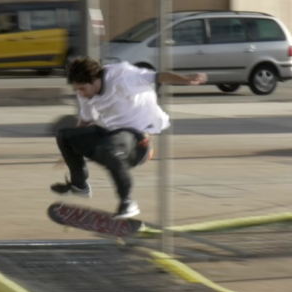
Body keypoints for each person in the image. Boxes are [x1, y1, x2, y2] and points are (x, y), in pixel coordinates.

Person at [51, 57, 207, 218]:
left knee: (109, 148)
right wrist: (70, 151)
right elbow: (85, 119)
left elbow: (159, 76)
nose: (81, 94)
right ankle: (80, 185)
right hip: (111, 136)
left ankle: (128, 202)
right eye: (77, 90)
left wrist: (187, 79)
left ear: (94, 80)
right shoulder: (84, 93)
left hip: (137, 142)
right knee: (65, 136)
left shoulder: (123, 75)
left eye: (82, 89)